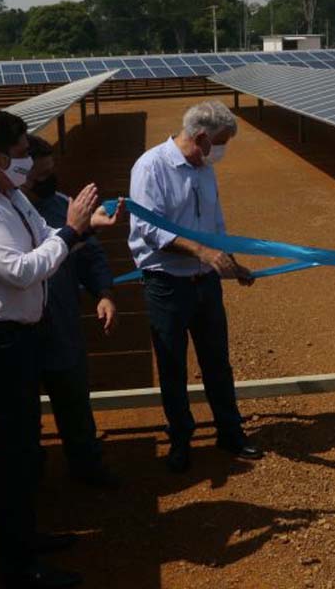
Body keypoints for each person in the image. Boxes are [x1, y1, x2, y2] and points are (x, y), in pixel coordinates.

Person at [0, 110, 121, 588]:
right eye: (21, 155)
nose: (28, 164)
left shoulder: (8, 194)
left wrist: (82, 229)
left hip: (16, 336)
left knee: (22, 446)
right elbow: (21, 269)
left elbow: (45, 240)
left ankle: (26, 536)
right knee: (12, 453)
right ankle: (18, 564)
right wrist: (71, 230)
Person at [128, 100, 262, 474]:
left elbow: (214, 225)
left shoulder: (204, 169)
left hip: (205, 284)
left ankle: (230, 433)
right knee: (173, 367)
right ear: (201, 137)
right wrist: (201, 252)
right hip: (167, 285)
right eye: (220, 142)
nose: (222, 151)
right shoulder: (150, 167)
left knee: (217, 361)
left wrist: (230, 266)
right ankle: (181, 440)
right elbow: (148, 229)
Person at [21, 134, 120, 490]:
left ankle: (86, 465)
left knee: (75, 403)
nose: (49, 180)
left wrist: (104, 293)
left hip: (62, 326)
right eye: (41, 175)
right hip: (20, 332)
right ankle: (29, 475)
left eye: (52, 171)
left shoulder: (65, 207)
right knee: (22, 413)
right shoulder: (5, 214)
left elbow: (91, 256)